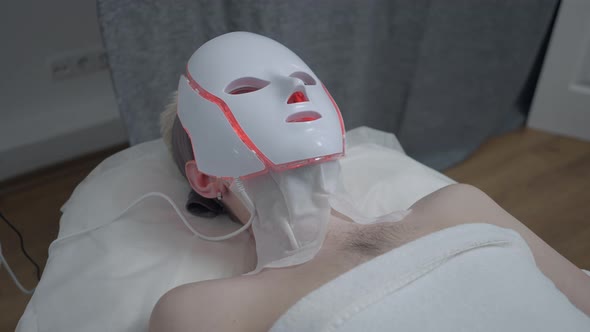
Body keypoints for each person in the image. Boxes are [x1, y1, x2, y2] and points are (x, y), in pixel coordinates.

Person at [150, 32, 590, 331]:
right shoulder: (203, 311)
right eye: (246, 90)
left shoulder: (459, 207)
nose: (294, 90)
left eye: (303, 79)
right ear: (208, 178)